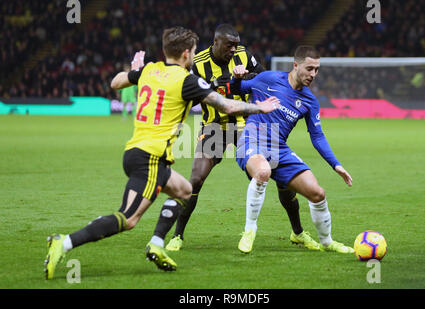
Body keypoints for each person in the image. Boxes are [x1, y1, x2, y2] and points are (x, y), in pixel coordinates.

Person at [43, 26, 279, 278]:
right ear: (187, 54)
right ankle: (64, 242)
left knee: (184, 190)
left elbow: (115, 82)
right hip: (149, 158)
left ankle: (156, 244)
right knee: (128, 219)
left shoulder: (150, 69)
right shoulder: (188, 81)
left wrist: (135, 70)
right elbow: (227, 106)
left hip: (140, 151)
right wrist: (260, 108)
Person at [165, 24, 321, 252]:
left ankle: (298, 233)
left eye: (236, 45)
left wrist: (245, 75)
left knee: (283, 179)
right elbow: (186, 92)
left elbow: (264, 77)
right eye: (229, 45)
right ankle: (177, 236)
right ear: (216, 42)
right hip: (215, 127)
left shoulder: (243, 55)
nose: (234, 50)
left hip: (249, 127)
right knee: (196, 179)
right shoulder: (197, 62)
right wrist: (210, 88)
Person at [231, 45, 355, 254]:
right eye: (309, 68)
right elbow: (238, 89)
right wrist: (236, 77)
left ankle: (327, 242)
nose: (313, 74)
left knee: (317, 193)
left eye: (316, 69)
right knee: (262, 172)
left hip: (279, 148)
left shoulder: (309, 101)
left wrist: (336, 165)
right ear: (296, 65)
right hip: (252, 139)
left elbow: (317, 136)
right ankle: (249, 230)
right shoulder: (268, 78)